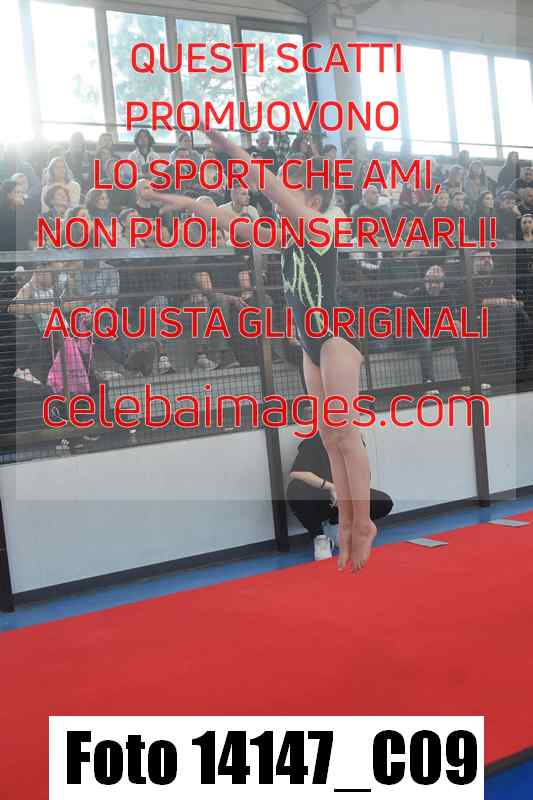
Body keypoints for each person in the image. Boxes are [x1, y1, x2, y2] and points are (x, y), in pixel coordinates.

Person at [143, 128, 376, 572]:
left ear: (311, 200)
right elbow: (224, 218)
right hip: (312, 345)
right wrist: (177, 200)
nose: (279, 202)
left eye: (291, 193)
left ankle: (363, 523)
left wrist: (236, 151)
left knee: (345, 434)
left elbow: (271, 189)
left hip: (336, 339)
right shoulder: (286, 236)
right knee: (329, 438)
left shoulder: (321, 227)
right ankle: (347, 520)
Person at [287, 432, 393, 560]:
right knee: (295, 488)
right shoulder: (313, 443)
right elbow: (297, 473)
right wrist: (331, 487)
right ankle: (320, 537)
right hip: (320, 496)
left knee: (383, 502)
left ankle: (337, 525)